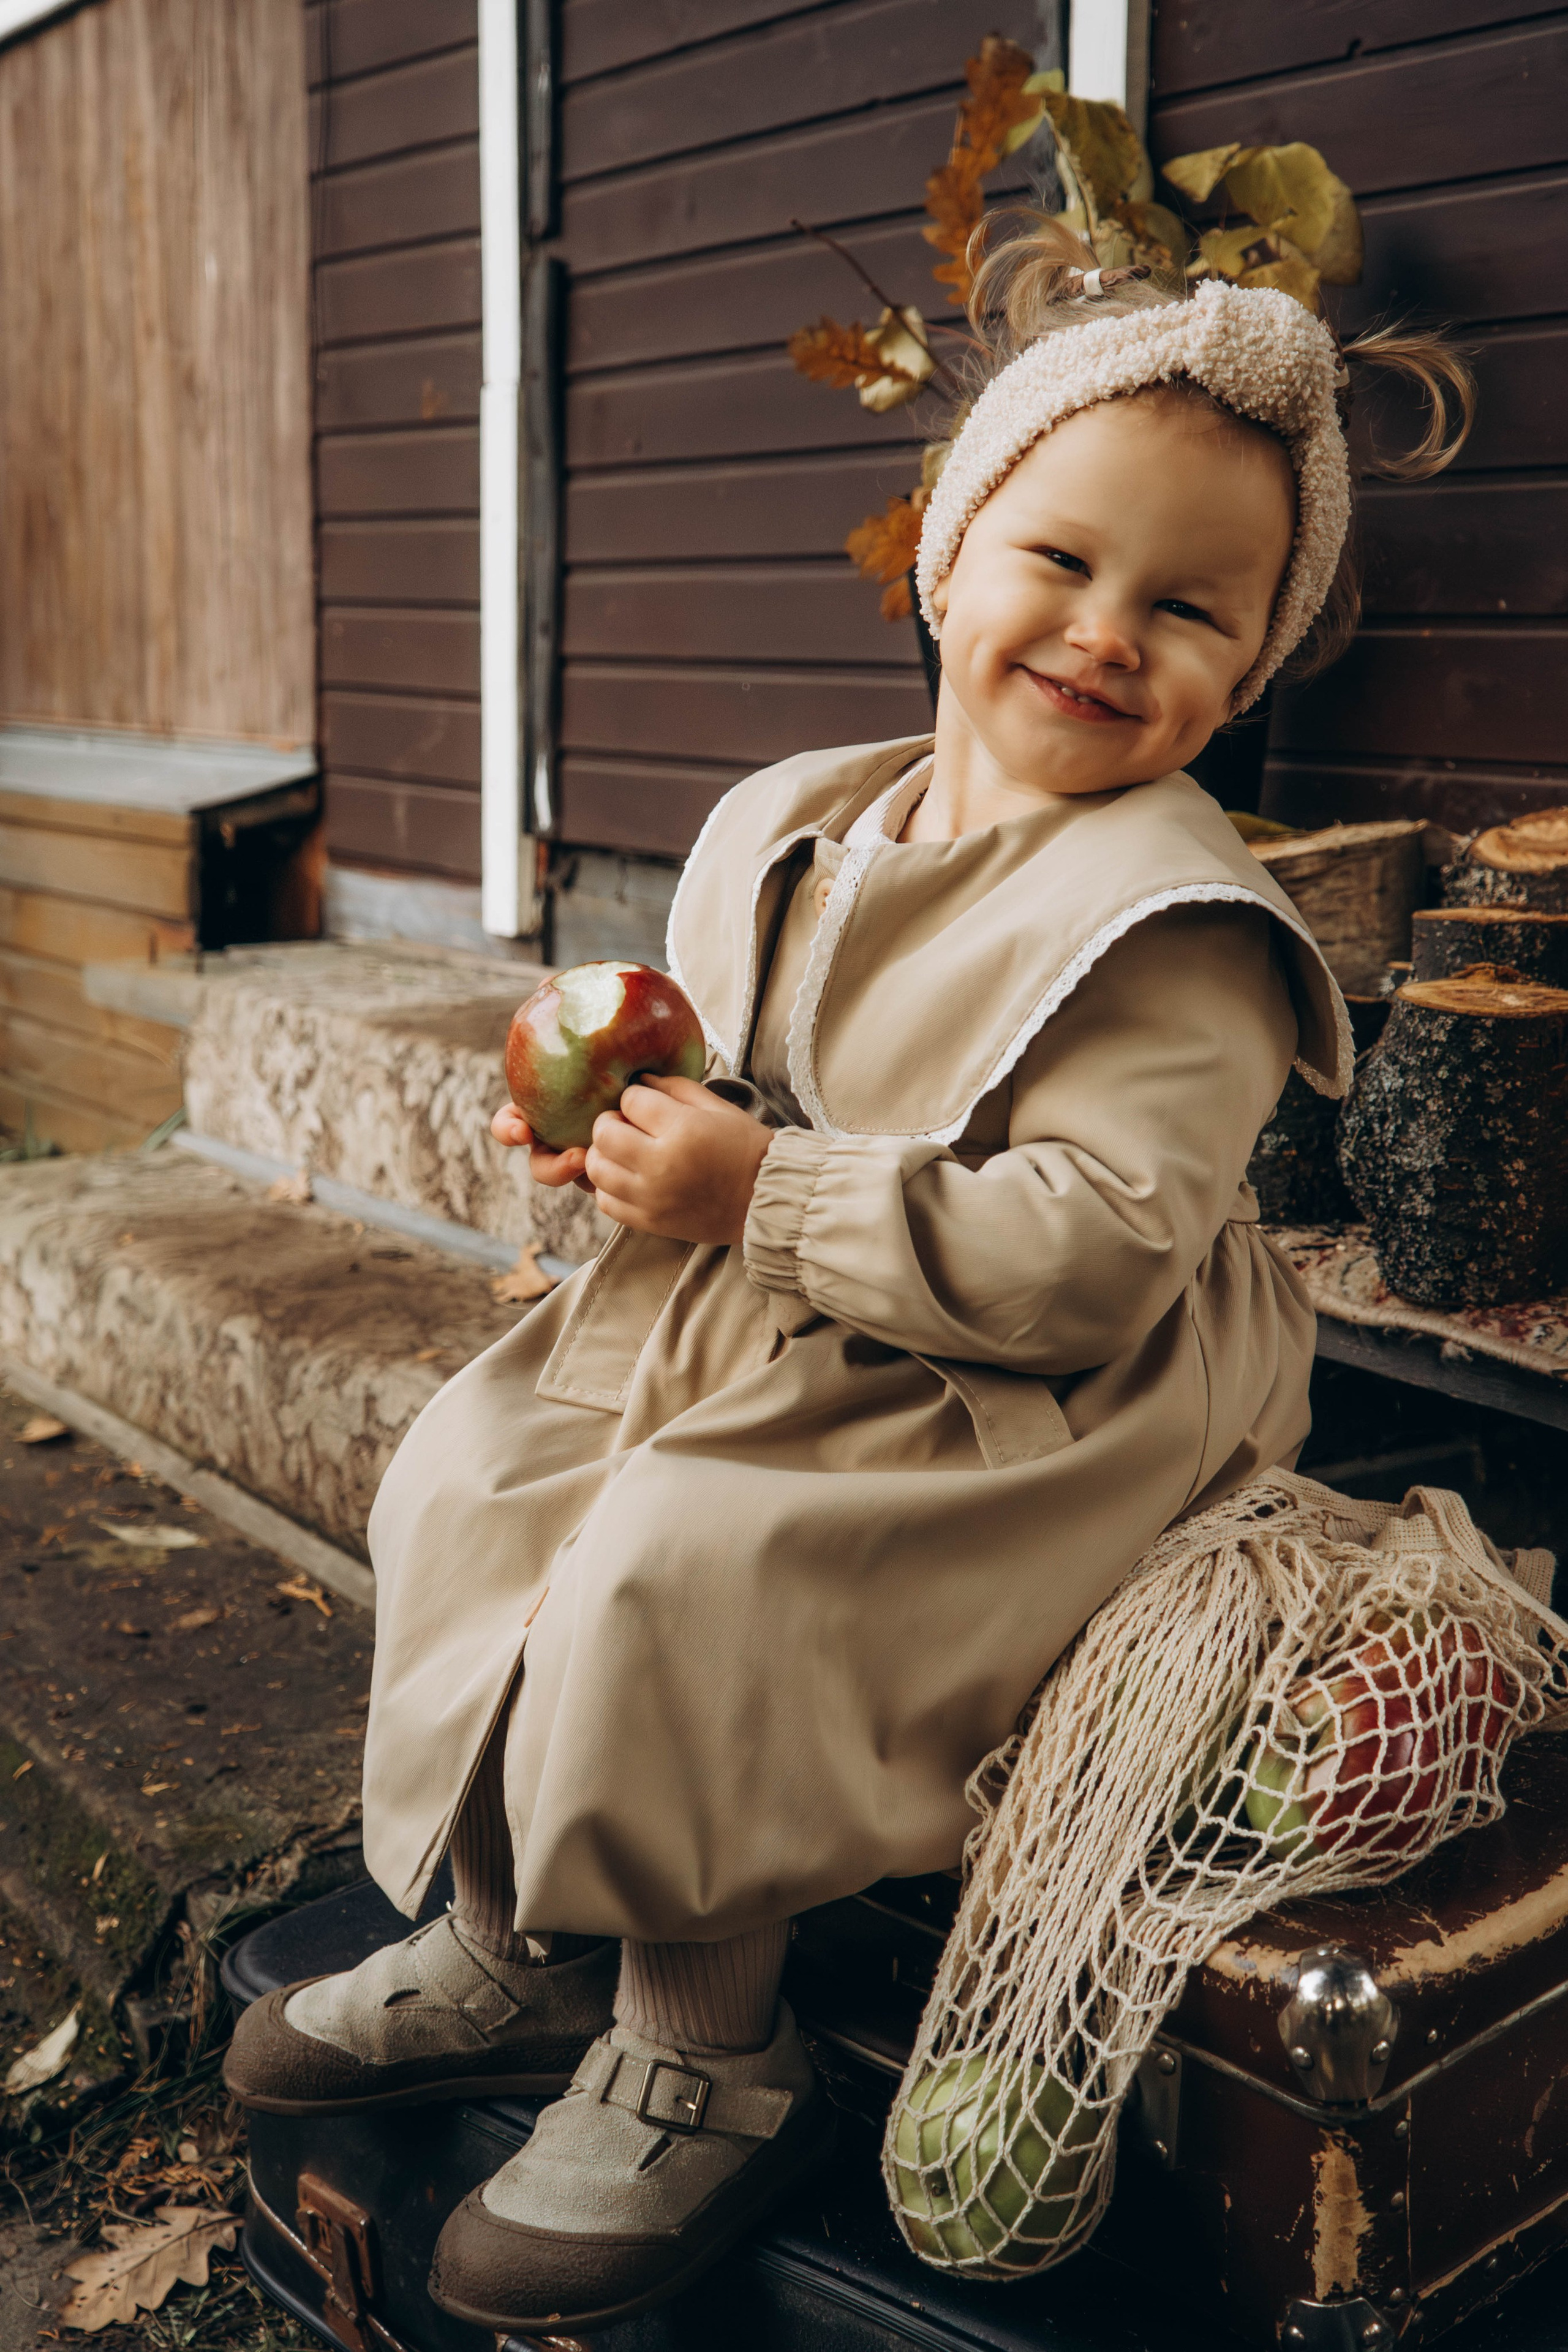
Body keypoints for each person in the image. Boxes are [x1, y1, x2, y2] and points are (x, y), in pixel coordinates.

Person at [225, 221, 1471, 2334]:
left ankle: (711, 2049)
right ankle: (513, 1943)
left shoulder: (1177, 925)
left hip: (1043, 1383)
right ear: (950, 555)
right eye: (1062, 561)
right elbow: (723, 1083)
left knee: (696, 1561)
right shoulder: (801, 819)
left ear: (1250, 669)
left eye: (1190, 610)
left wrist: (763, 1191)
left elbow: (1090, 1258)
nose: (1108, 634)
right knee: (478, 1470)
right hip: (794, 1294)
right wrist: (630, 1143)